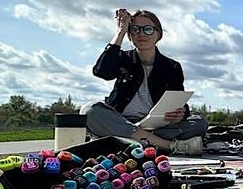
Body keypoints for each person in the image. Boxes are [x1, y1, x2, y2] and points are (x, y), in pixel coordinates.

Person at [80, 9, 207, 155]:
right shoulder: (122, 58)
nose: (141, 34)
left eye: (148, 29)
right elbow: (101, 71)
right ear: (130, 34)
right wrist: (120, 31)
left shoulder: (172, 66)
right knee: (89, 111)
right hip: (122, 119)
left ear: (158, 34)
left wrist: (180, 113)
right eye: (135, 29)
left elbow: (178, 101)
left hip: (154, 126)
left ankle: (122, 140)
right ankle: (170, 145)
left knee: (199, 123)